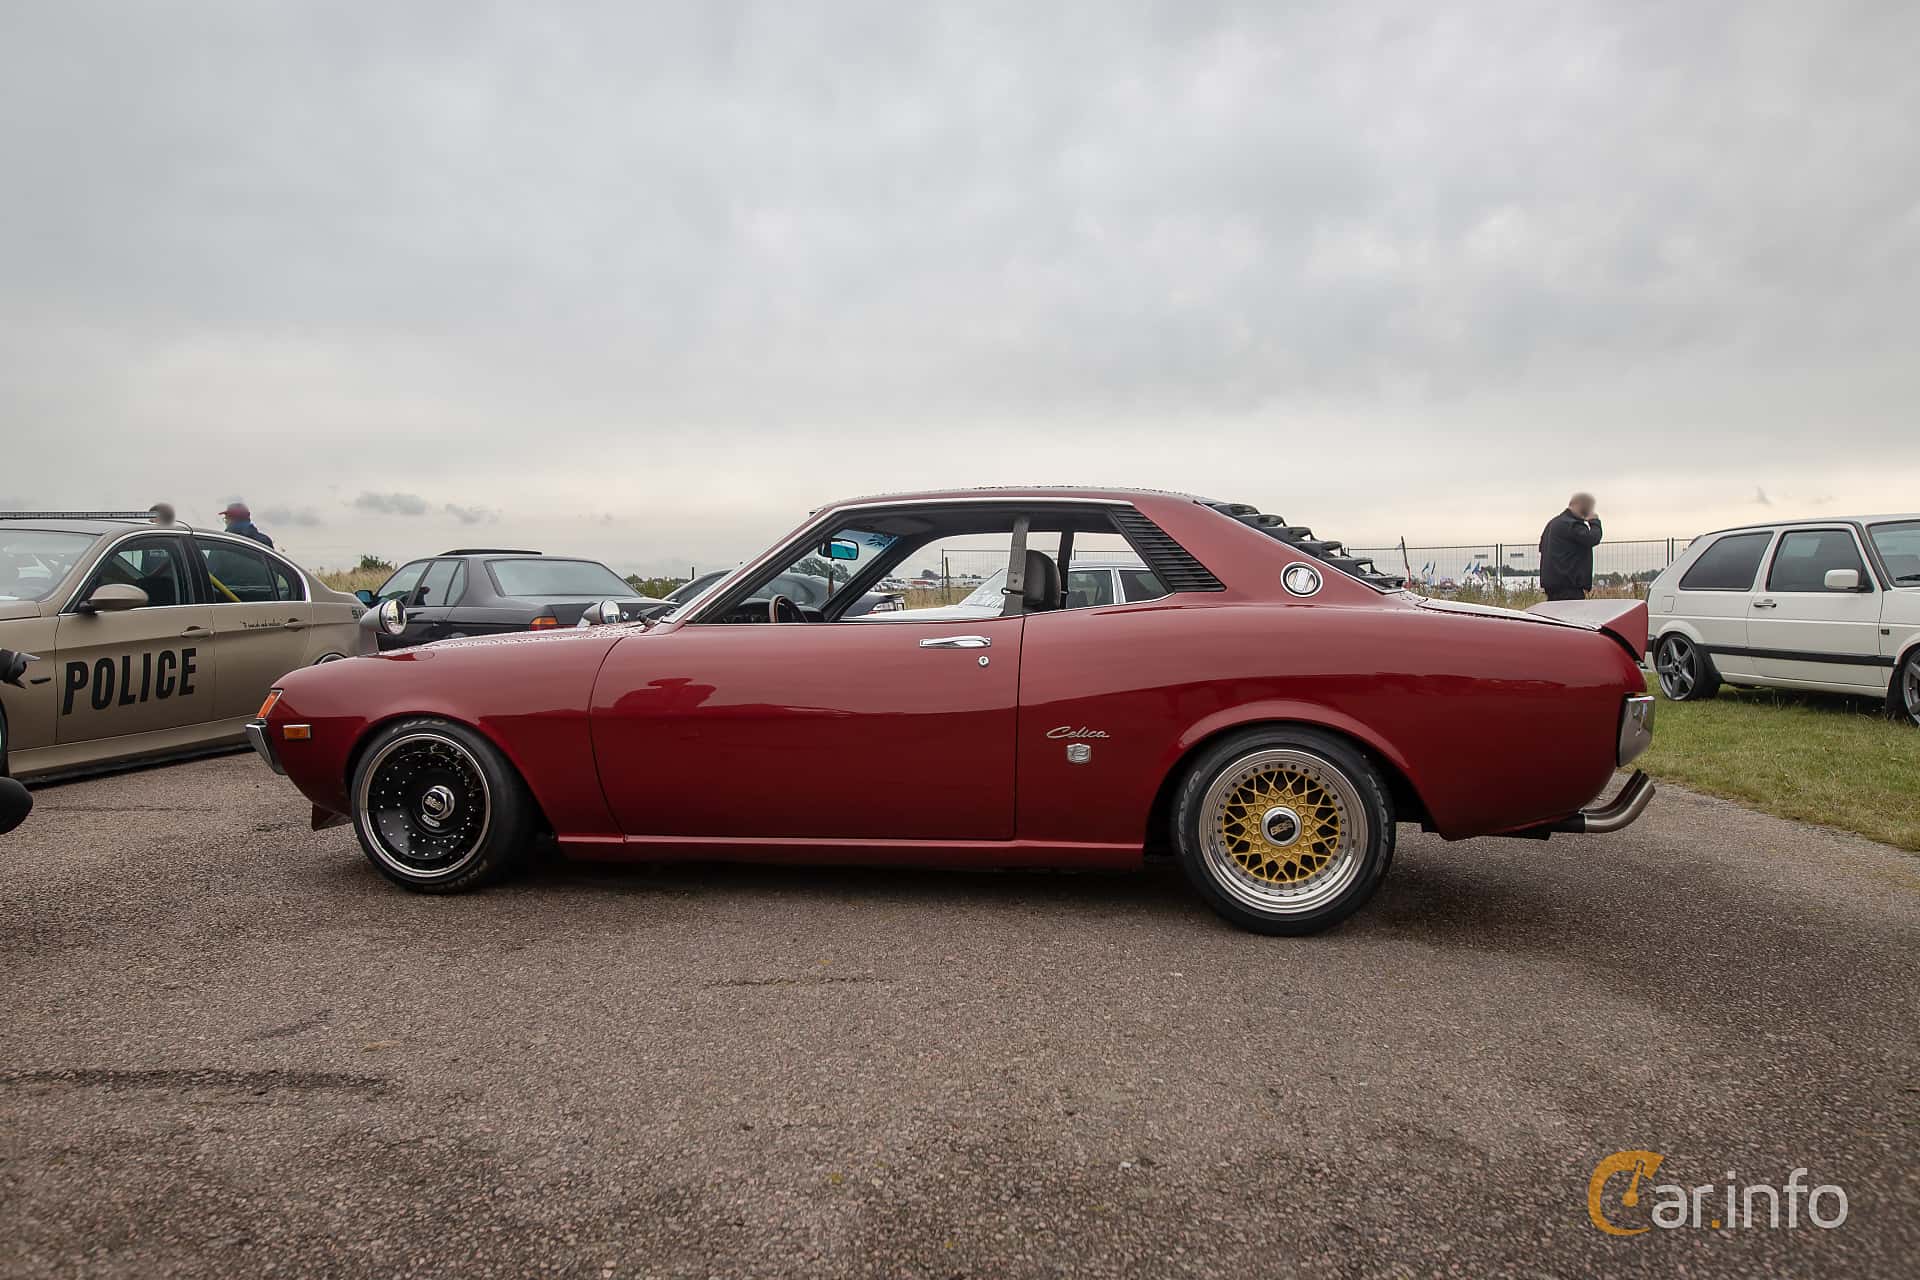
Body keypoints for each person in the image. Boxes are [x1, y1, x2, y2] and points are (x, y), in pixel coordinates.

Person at [1539, 492, 1602, 601]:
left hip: (1552, 589)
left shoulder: (1552, 524)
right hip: (1569, 589)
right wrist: (1594, 521)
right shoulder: (1571, 524)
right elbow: (1592, 538)